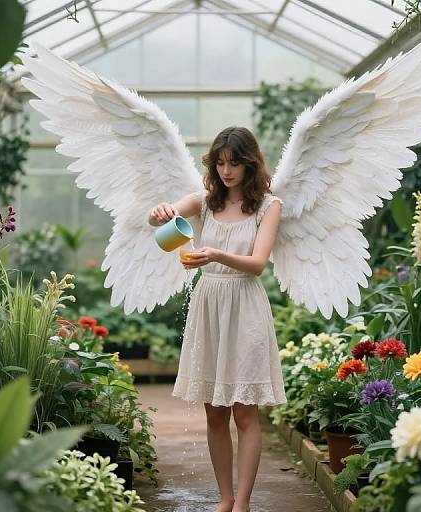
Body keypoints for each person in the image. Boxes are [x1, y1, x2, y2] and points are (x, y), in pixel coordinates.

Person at [148, 126, 287, 512]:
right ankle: (224, 498)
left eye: (235, 163)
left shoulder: (268, 206)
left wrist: (214, 255)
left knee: (244, 410)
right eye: (220, 163)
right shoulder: (205, 202)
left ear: (250, 164)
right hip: (208, 305)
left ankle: (242, 502)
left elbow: (258, 264)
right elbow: (159, 220)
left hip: (245, 307)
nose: (226, 171)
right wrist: (159, 212)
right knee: (214, 411)